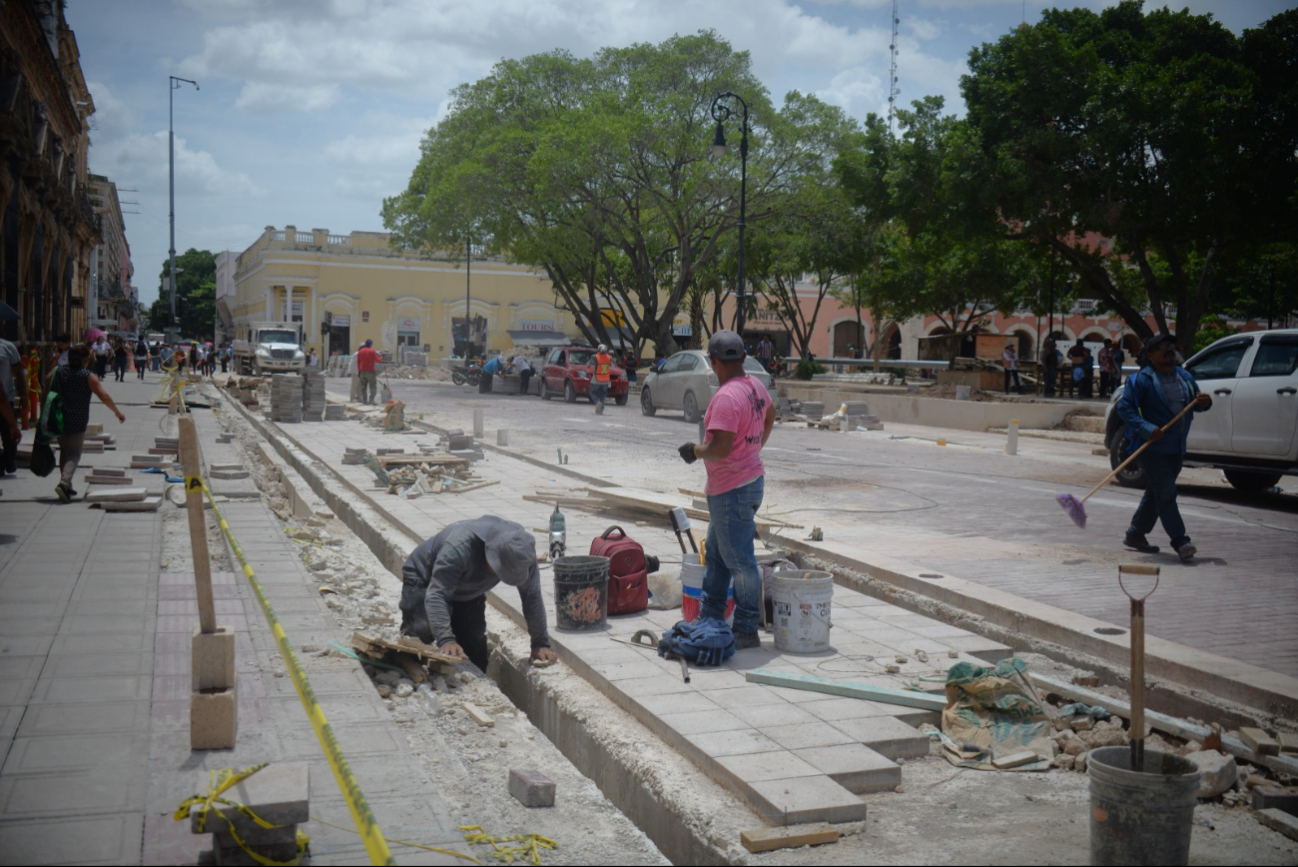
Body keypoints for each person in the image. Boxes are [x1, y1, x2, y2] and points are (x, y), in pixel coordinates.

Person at [676, 330, 776, 650]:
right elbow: (771, 416)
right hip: (749, 481)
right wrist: (753, 448)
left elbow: (718, 448)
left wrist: (695, 451)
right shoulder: (755, 386)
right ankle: (712, 616)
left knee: (740, 561)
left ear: (714, 362)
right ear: (744, 358)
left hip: (731, 489)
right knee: (717, 555)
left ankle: (746, 627)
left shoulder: (725, 397)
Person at [399, 515, 558, 673]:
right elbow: (437, 595)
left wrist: (540, 643)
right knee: (421, 635)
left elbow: (532, 598)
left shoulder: (520, 554)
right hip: (424, 580)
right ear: (490, 552)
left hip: (468, 591)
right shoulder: (458, 548)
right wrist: (446, 639)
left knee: (475, 654)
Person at [1116, 334, 1212, 561]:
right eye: (1162, 347)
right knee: (1167, 492)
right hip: (1151, 449)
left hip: (1176, 448)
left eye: (1171, 346)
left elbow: (1194, 406)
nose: (1169, 350)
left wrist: (1204, 403)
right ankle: (1181, 541)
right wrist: (1146, 428)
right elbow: (1125, 409)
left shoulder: (1185, 377)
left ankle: (1135, 534)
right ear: (1150, 355)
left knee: (1157, 492)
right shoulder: (1140, 380)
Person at [50, 344, 126, 502]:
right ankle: (64, 483)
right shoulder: (88, 376)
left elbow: (45, 390)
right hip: (78, 420)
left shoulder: (58, 372)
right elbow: (104, 396)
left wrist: (43, 414)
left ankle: (68, 487)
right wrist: (117, 412)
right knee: (74, 453)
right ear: (86, 360)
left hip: (58, 418)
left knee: (65, 450)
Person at [0, 336, 24, 477]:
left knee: (9, 439)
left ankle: (8, 459)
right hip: (2, 399)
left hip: (6, 399)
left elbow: (19, 373)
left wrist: (24, 397)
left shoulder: (7, 347)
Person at [356, 338, 379, 404]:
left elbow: (358, 362)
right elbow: (377, 360)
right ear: (371, 344)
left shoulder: (360, 351)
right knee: (373, 386)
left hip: (362, 372)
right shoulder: (372, 351)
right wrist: (382, 357)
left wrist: (359, 371)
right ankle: (371, 400)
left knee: (363, 387)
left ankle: (364, 401)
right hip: (371, 372)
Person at [591, 344, 612, 414]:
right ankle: (601, 410)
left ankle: (597, 402)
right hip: (605, 380)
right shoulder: (609, 357)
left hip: (596, 379)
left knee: (592, 392)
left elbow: (589, 364)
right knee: (603, 395)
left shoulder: (595, 357)